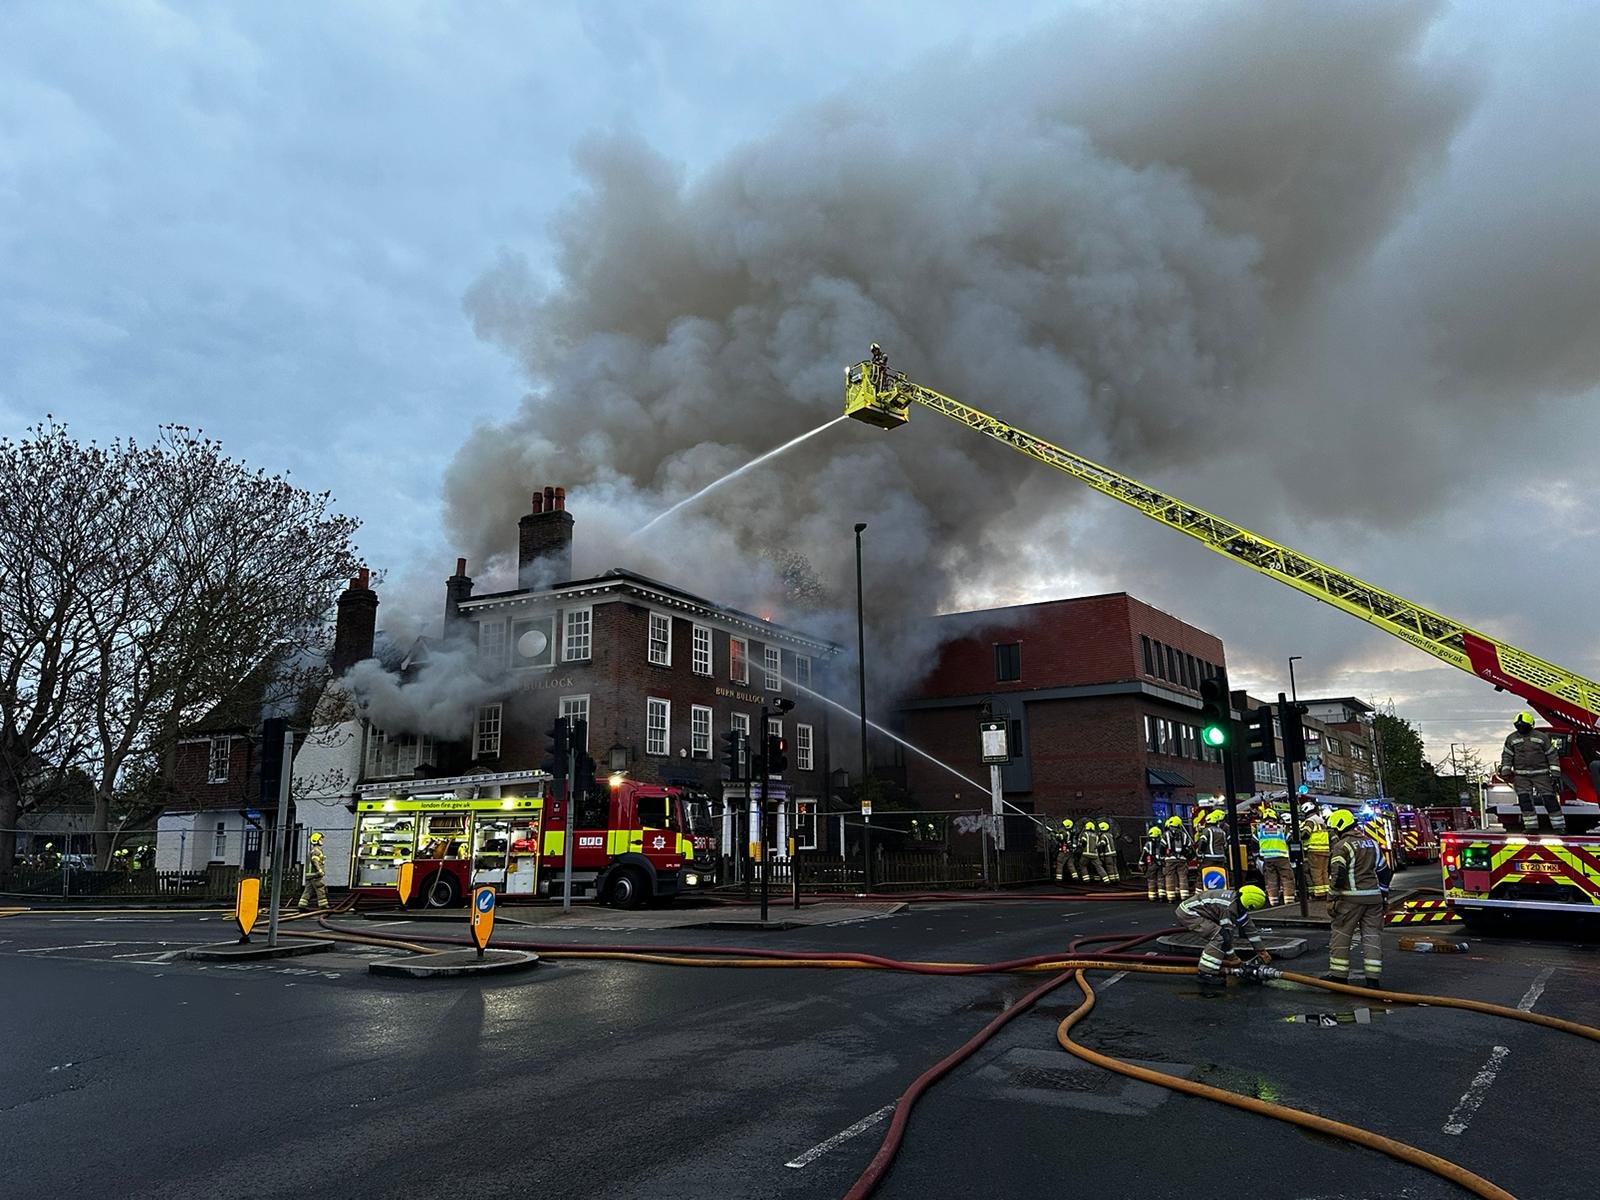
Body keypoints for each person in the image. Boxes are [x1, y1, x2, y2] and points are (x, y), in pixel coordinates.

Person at [1323, 809, 1386, 988]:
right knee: (1372, 935)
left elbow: (1338, 875)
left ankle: (1339, 977)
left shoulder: (1342, 846)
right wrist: (1384, 896)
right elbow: (1384, 872)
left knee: (1341, 933)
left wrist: (1332, 898)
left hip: (1350, 899)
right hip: (1374, 898)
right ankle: (1373, 980)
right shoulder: (1372, 843)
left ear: (1340, 827)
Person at [1176, 885, 1270, 997]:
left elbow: (1249, 927)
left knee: (1221, 935)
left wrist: (1261, 950)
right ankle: (1206, 973)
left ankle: (1211, 968)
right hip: (1189, 914)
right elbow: (1226, 937)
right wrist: (1233, 958)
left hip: (1199, 911)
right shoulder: (1228, 908)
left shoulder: (1237, 900)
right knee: (1219, 936)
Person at [1500, 711, 1566, 834]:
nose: (1520, 728)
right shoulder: (1512, 738)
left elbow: (1552, 755)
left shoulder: (1541, 737)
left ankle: (1559, 827)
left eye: (1523, 725)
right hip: (1520, 776)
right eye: (1518, 726)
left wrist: (1555, 773)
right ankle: (1531, 827)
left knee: (1550, 800)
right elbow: (1507, 756)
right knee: (1525, 801)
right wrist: (1506, 771)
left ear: (1530, 725)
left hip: (1541, 774)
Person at [1256, 808, 1294, 906]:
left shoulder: (1259, 829)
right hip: (1282, 857)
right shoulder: (1281, 828)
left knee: (1271, 880)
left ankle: (1273, 902)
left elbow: (1254, 842)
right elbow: (1289, 839)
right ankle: (1289, 901)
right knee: (1286, 878)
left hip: (1267, 858)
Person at [1302, 802, 1330, 901]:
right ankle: (1327, 892)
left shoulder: (1310, 820)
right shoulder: (1321, 820)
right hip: (1325, 850)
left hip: (1314, 850)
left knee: (1316, 873)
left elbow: (1305, 834)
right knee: (1324, 872)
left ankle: (1319, 894)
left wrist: (1298, 836)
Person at [1160, 815, 1191, 901]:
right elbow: (1189, 848)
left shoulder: (1165, 835)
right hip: (1182, 859)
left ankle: (1171, 897)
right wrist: (1187, 857)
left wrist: (1162, 858)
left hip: (1169, 860)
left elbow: (1162, 847)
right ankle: (1184, 896)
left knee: (1169, 877)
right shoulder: (1184, 835)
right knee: (1183, 877)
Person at [1196, 809, 1229, 889]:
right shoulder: (1222, 831)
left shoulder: (1207, 830)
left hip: (1209, 858)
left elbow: (1203, 842)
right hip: (1221, 858)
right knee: (1221, 874)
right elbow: (1225, 845)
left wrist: (1199, 853)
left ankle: (1199, 893)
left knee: (1202, 874)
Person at [297, 831, 329, 911]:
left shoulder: (312, 850)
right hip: (316, 875)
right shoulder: (317, 851)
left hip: (309, 875)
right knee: (320, 889)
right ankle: (323, 906)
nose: (322, 840)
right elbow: (315, 861)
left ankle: (302, 905)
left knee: (308, 890)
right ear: (317, 840)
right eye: (321, 839)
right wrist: (320, 871)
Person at [1140, 825, 1164, 901]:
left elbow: (1144, 854)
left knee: (1151, 880)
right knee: (1161, 879)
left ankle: (1152, 896)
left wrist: (1141, 863)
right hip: (1160, 864)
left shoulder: (1148, 844)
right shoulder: (1162, 843)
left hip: (1151, 864)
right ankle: (1162, 896)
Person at [1056, 818, 1077, 882]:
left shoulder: (1065, 832)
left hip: (1063, 851)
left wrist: (1056, 835)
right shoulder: (1069, 832)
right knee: (1070, 864)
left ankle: (1058, 878)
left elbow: (1061, 838)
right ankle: (1075, 877)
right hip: (1069, 851)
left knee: (1060, 864)